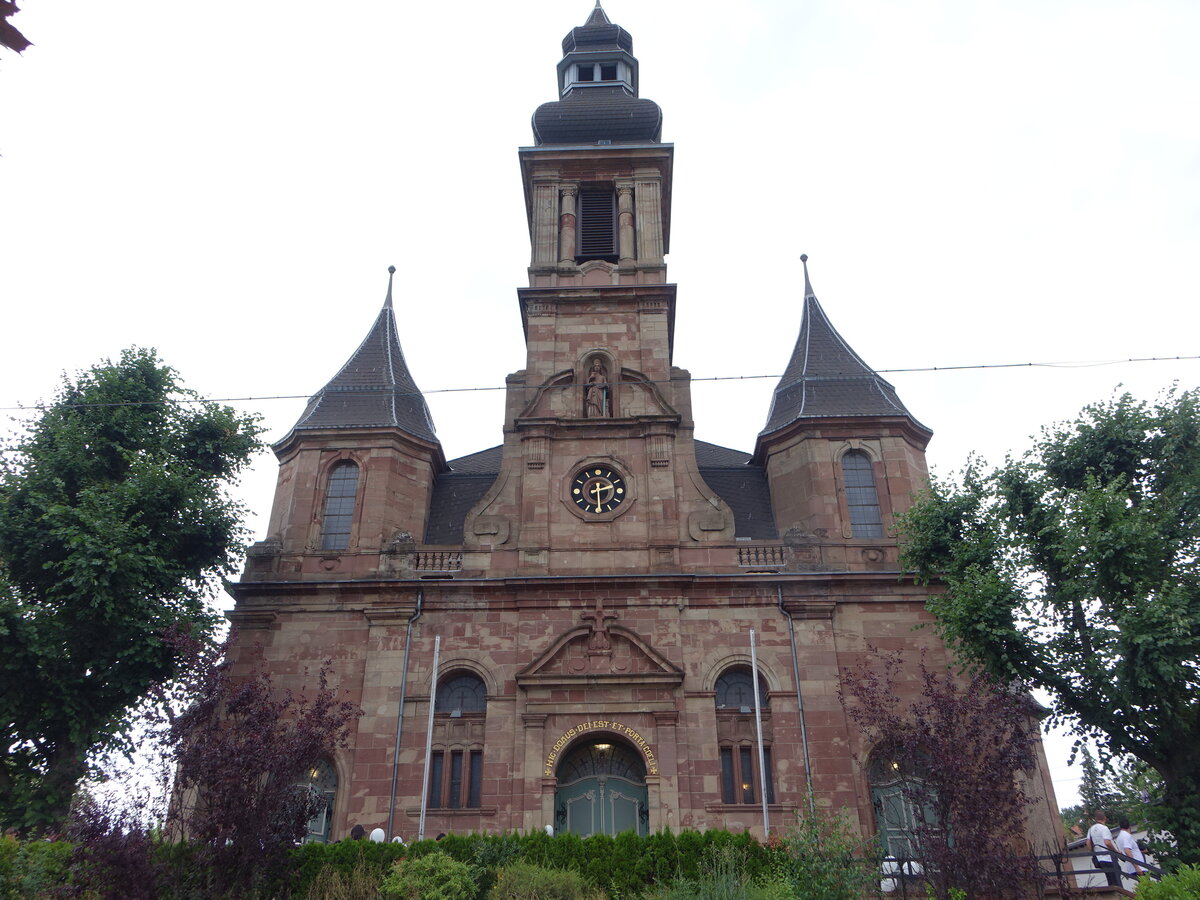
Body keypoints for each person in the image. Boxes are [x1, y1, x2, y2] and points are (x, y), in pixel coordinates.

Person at [1087, 810, 1121, 887]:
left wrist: (1094, 853)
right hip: (1108, 858)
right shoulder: (1104, 828)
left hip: (1099, 859)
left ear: (1095, 819)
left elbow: (1088, 843)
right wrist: (1116, 851)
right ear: (1105, 818)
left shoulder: (1091, 829)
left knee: (1110, 879)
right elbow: (1107, 843)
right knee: (1116, 878)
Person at [1114, 818, 1146, 882]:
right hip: (1138, 867)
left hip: (1131, 867)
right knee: (1147, 886)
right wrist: (1136, 867)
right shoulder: (1126, 836)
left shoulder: (1119, 837)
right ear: (1129, 826)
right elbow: (1127, 851)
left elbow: (1123, 852)